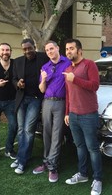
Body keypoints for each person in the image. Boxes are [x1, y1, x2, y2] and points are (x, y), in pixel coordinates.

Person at [63, 39, 103, 195]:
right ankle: (83, 174)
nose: (68, 51)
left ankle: (98, 179)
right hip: (73, 115)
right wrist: (67, 112)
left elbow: (95, 85)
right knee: (79, 147)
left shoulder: (89, 64)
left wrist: (76, 79)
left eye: (71, 48)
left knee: (93, 148)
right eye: (66, 49)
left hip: (88, 115)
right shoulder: (67, 69)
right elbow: (68, 93)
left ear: (79, 50)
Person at [32, 41, 71, 182]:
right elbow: (42, 89)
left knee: (57, 134)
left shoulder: (67, 63)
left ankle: (53, 166)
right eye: (47, 50)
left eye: (51, 48)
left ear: (57, 48)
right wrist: (43, 79)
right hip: (47, 102)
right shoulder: (45, 67)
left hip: (61, 103)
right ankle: (46, 161)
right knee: (46, 133)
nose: (49, 51)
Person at [10, 38, 49, 174]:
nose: (27, 51)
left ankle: (22, 161)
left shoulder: (43, 57)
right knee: (21, 130)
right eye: (24, 49)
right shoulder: (18, 61)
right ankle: (21, 155)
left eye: (29, 48)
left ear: (34, 47)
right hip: (22, 98)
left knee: (28, 129)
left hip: (35, 99)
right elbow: (13, 79)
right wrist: (18, 84)